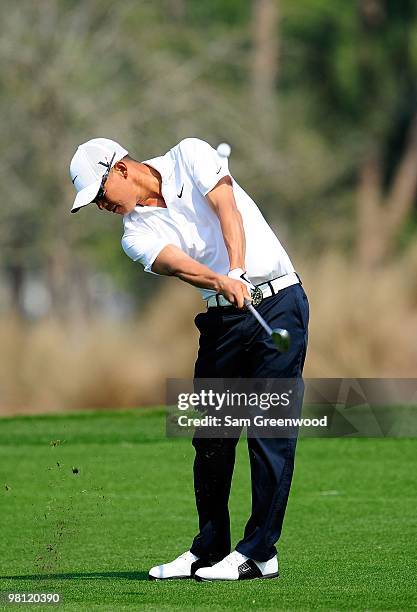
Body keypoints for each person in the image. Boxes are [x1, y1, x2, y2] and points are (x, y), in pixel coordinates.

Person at [69, 137, 309, 581]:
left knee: (267, 431)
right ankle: (211, 548)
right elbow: (177, 264)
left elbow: (228, 209)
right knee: (212, 439)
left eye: (101, 194)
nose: (101, 206)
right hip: (223, 321)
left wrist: (236, 270)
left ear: (120, 168)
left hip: (277, 302)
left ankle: (259, 552)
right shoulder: (134, 234)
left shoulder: (190, 155)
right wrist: (221, 282)